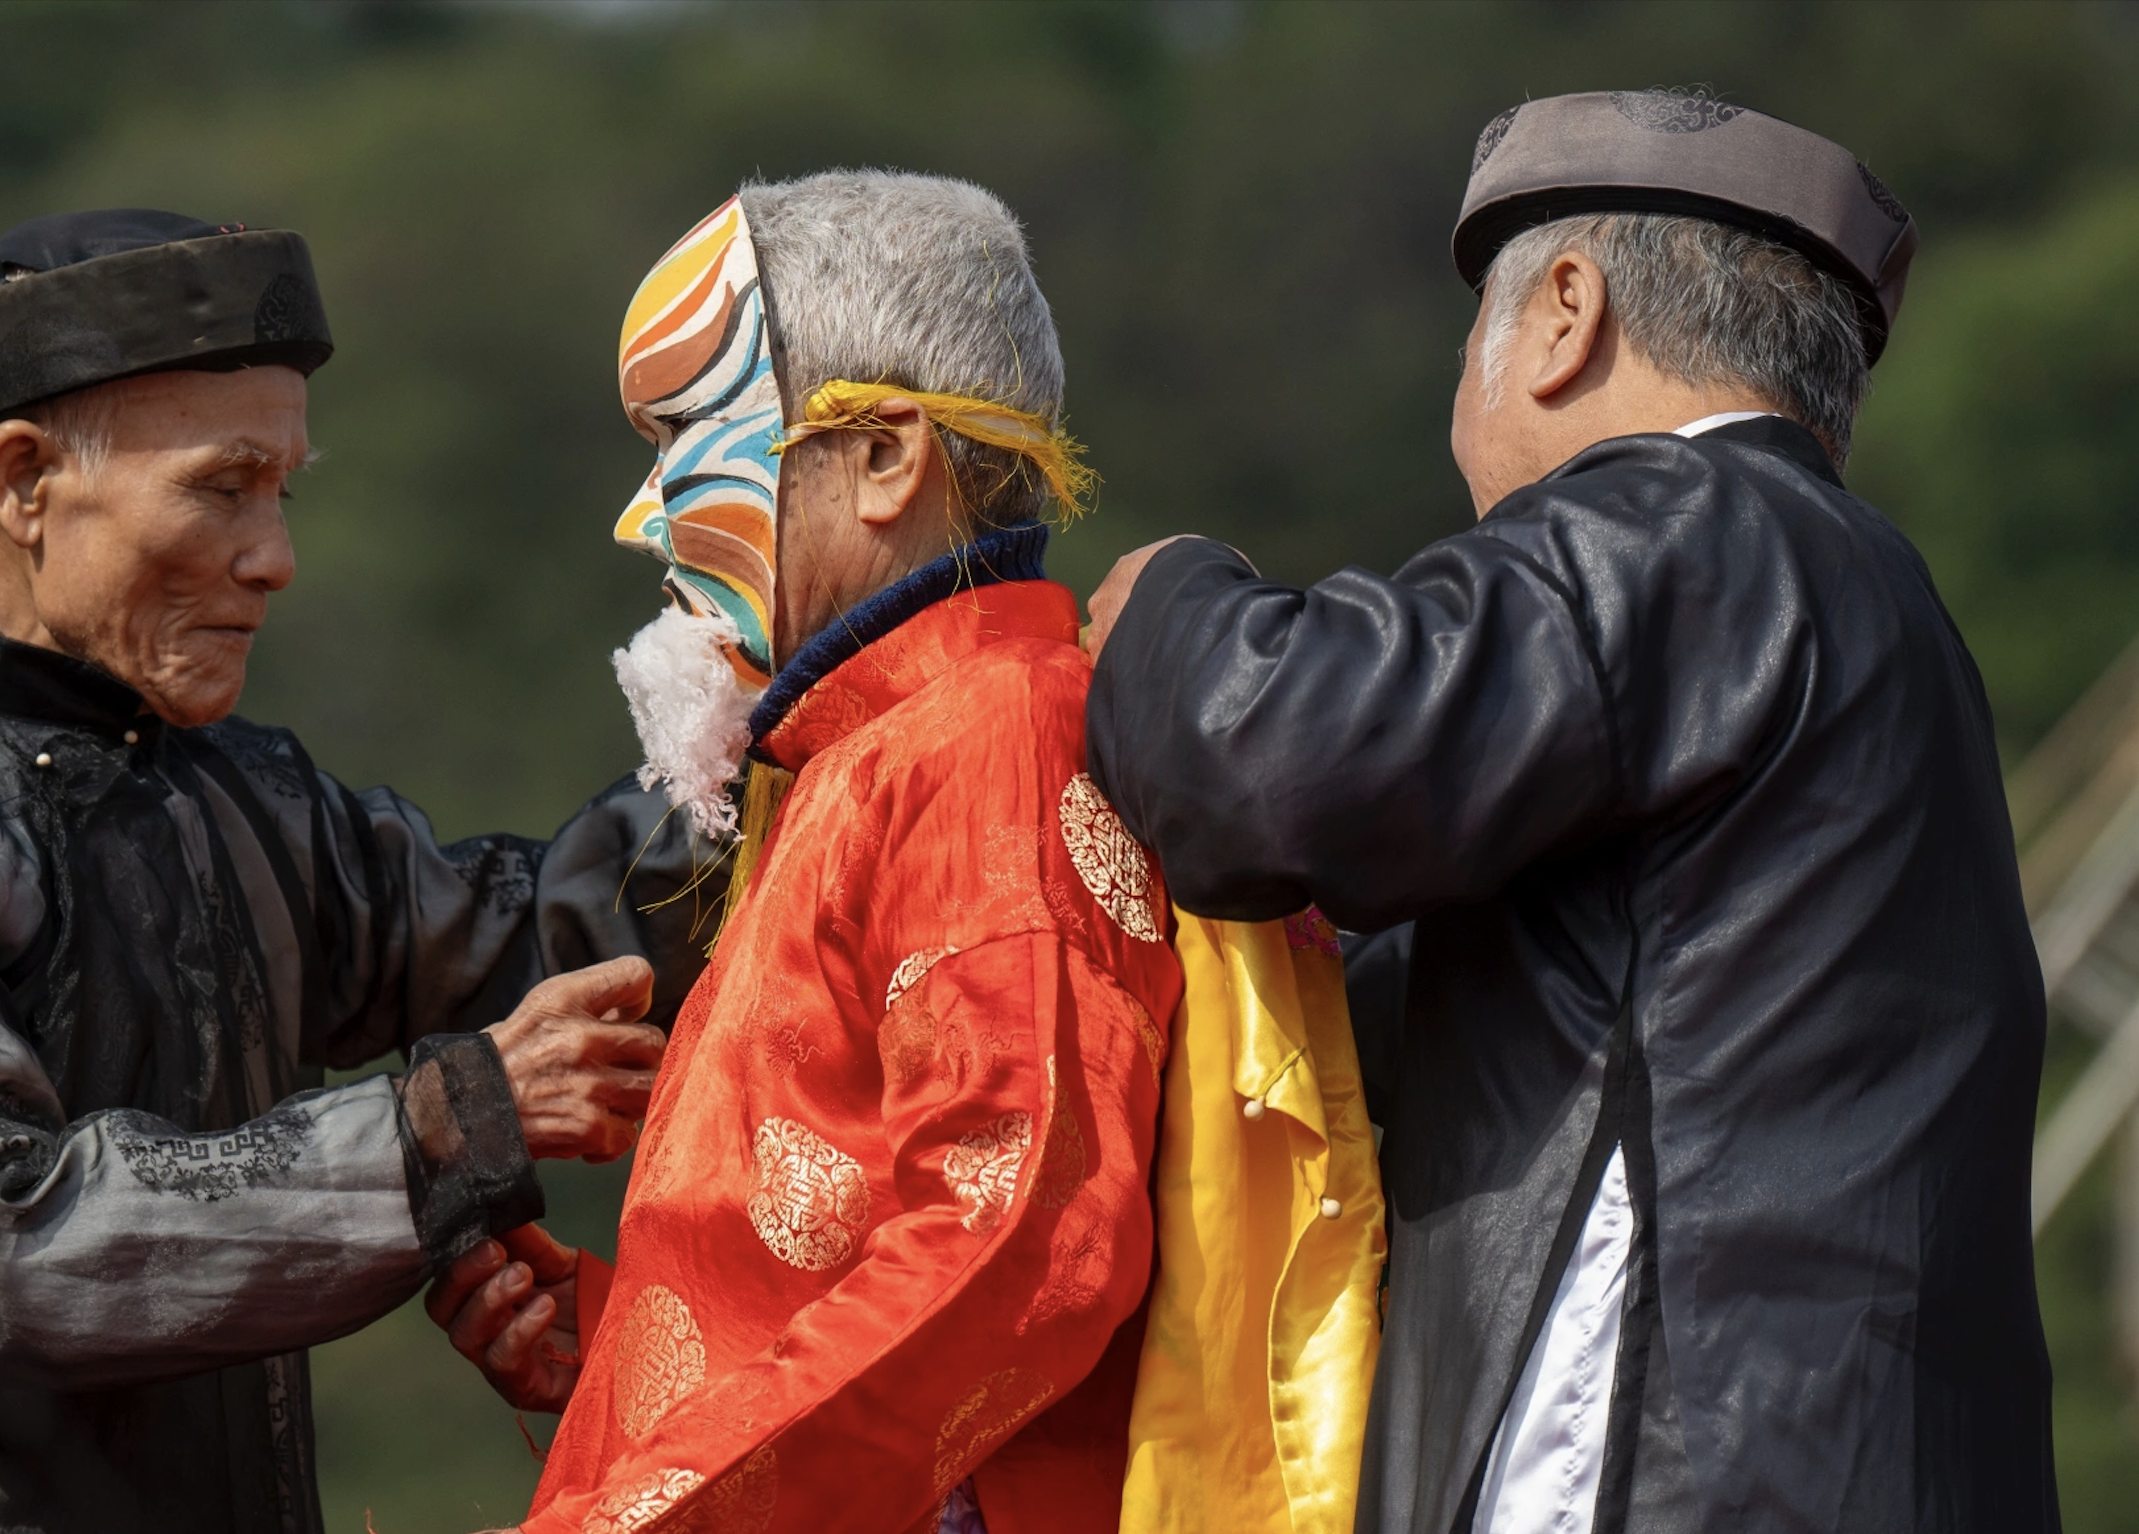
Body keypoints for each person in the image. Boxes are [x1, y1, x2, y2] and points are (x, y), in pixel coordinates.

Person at [0, 209, 711, 1534]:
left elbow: (552, 944)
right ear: (28, 479)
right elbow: (0, 1255)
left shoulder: (245, 795)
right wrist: (439, 1128)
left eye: (283, 490)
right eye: (223, 485)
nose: (276, 555)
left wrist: (762, 733)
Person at [1082, 91, 2056, 1533]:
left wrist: (1164, 602)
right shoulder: (1876, 611)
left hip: (1678, 1470)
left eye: (1471, 333)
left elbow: (1270, 760)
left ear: (1563, 317)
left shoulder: (1686, 524)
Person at [426, 171, 1182, 1534]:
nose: (645, 513)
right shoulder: (862, 756)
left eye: (685, 440)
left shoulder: (992, 734)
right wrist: (622, 1346)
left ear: (887, 457)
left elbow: (1015, 1242)